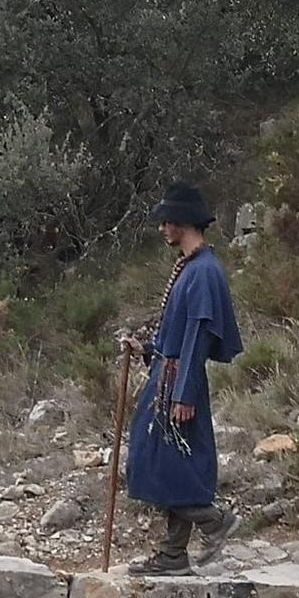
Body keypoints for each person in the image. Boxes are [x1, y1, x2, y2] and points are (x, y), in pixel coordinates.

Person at [121, 181, 245, 576]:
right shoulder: (191, 267)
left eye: (166, 222)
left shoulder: (204, 272)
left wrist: (184, 392)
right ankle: (173, 554)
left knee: (163, 464)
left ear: (182, 222)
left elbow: (198, 336)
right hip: (168, 376)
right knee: (167, 462)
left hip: (177, 383)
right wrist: (146, 350)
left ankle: (214, 521)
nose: (162, 229)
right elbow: (177, 335)